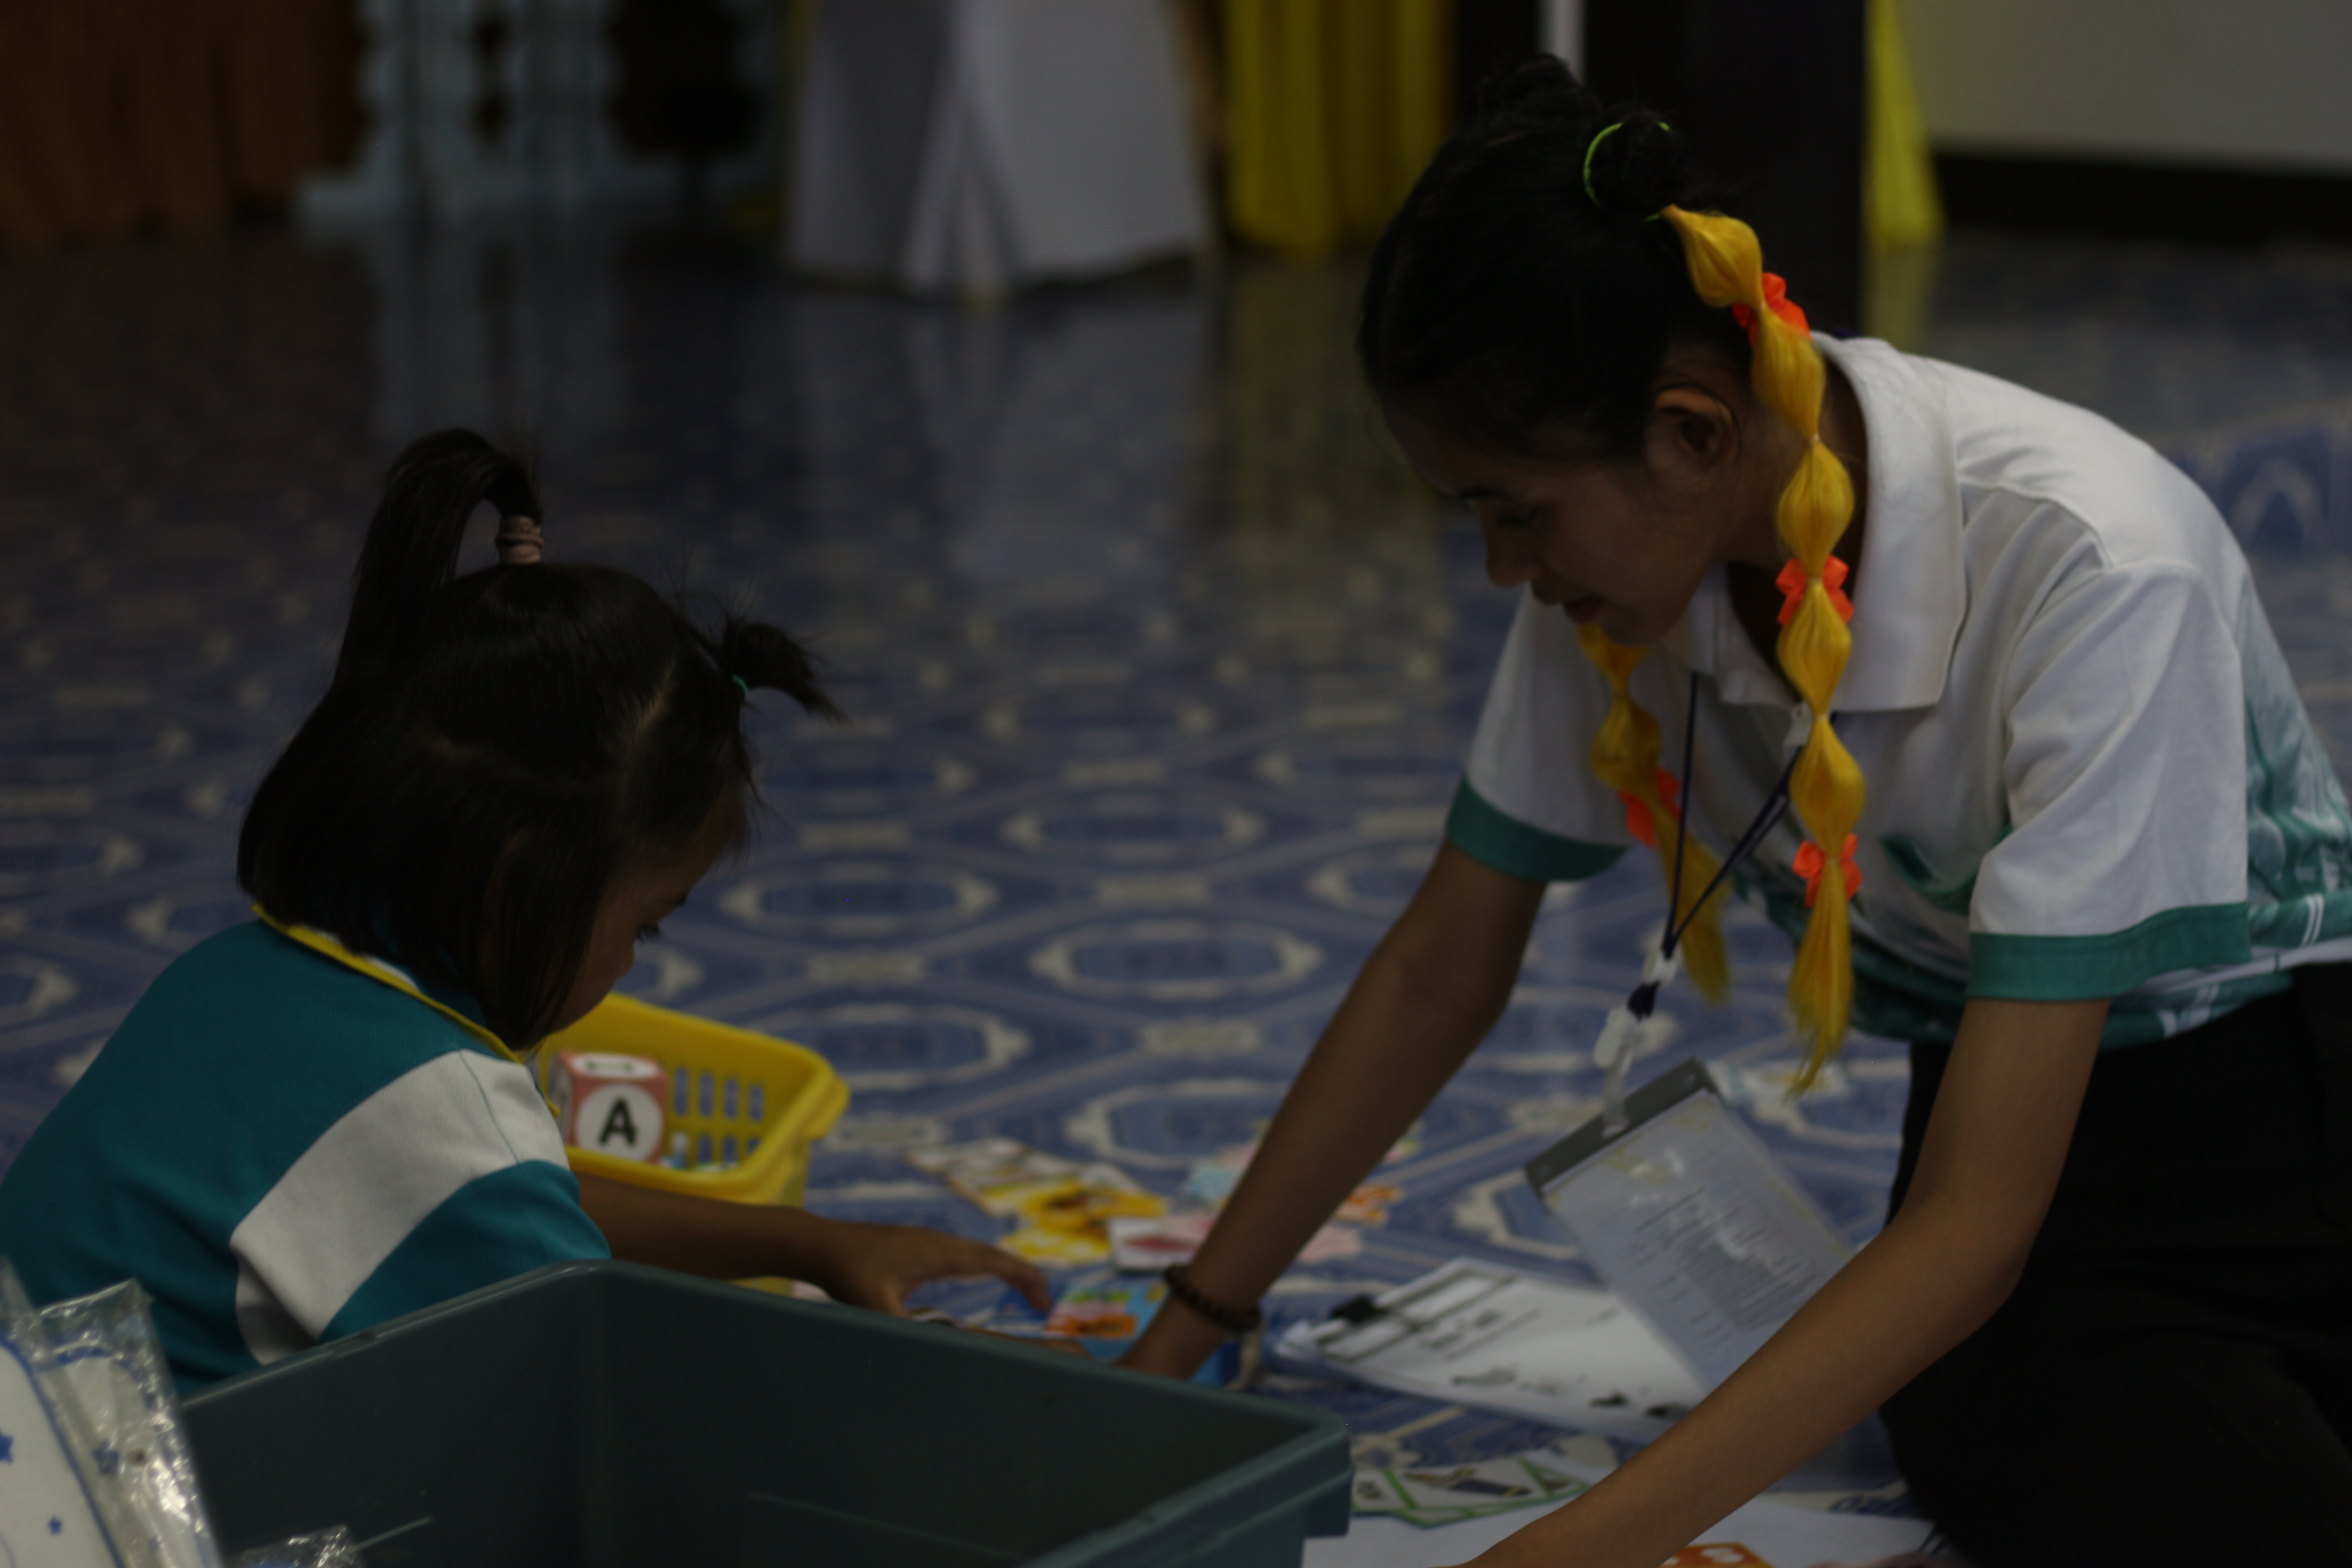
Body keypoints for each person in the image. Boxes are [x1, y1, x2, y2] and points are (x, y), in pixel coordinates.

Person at [1121, 60, 2352, 1567]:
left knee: (2183, 1481)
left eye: (1517, 510)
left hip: (2266, 1111)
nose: (1504, 568)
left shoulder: (2093, 565)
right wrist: (1183, 1332)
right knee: (1973, 1416)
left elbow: (1975, 1227)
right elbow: (1443, 965)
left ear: (1692, 431)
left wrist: (1576, 1547)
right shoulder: (1632, 567)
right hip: (2011, 1087)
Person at [0, 430, 1047, 1387]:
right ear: (515, 890)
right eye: (643, 925)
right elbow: (612, 1410)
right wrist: (923, 1378)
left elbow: (488, 1200)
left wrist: (801, 1243)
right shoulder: (432, 1107)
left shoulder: (241, 974)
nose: (629, 967)